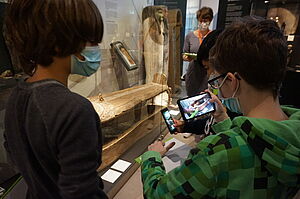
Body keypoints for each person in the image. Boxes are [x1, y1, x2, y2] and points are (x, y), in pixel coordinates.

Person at [141, 17, 300, 198]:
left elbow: (158, 195)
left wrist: (152, 157)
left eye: (216, 79)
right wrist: (223, 120)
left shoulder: (217, 151)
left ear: (231, 81)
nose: (214, 85)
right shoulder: (294, 128)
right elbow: (258, 140)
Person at [3, 0, 107, 198]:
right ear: (58, 42)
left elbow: (14, 156)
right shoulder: (74, 109)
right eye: (91, 41)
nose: (95, 49)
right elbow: (82, 193)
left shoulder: (16, 96)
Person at [183, 7, 213, 97]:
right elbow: (184, 54)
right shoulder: (190, 36)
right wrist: (187, 57)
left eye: (206, 20)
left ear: (210, 20)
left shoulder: (213, 36)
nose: (203, 23)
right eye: (201, 20)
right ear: (198, 20)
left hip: (207, 73)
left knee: (205, 98)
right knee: (191, 98)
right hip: (193, 73)